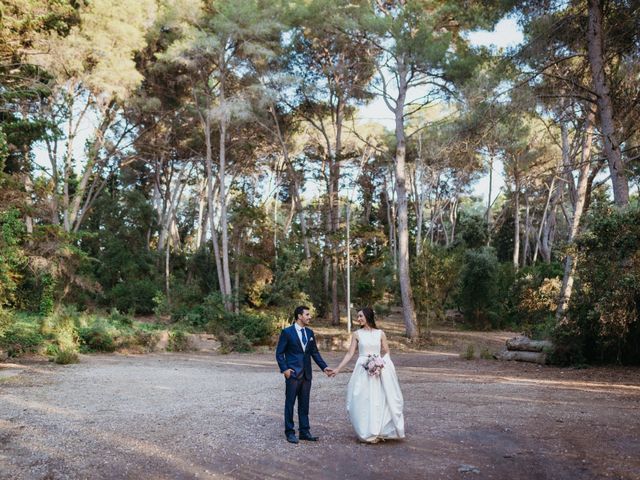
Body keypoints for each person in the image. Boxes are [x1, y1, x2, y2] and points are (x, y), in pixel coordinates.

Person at [330, 307, 405, 443]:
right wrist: (338, 369)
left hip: (378, 371)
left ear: (367, 316)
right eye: (357, 316)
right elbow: (350, 353)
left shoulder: (380, 333)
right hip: (362, 369)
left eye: (360, 316)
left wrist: (380, 363)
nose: (358, 319)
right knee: (362, 399)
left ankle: (380, 430)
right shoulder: (357, 334)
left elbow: (387, 352)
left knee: (378, 400)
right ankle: (367, 431)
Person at [275, 305, 333, 444]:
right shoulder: (287, 332)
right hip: (293, 374)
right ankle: (290, 432)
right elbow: (279, 353)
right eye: (307, 314)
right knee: (290, 404)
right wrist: (285, 370)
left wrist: (324, 367)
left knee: (304, 404)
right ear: (299, 316)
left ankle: (304, 432)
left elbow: (314, 353)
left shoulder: (310, 332)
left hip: (307, 374)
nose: (309, 317)